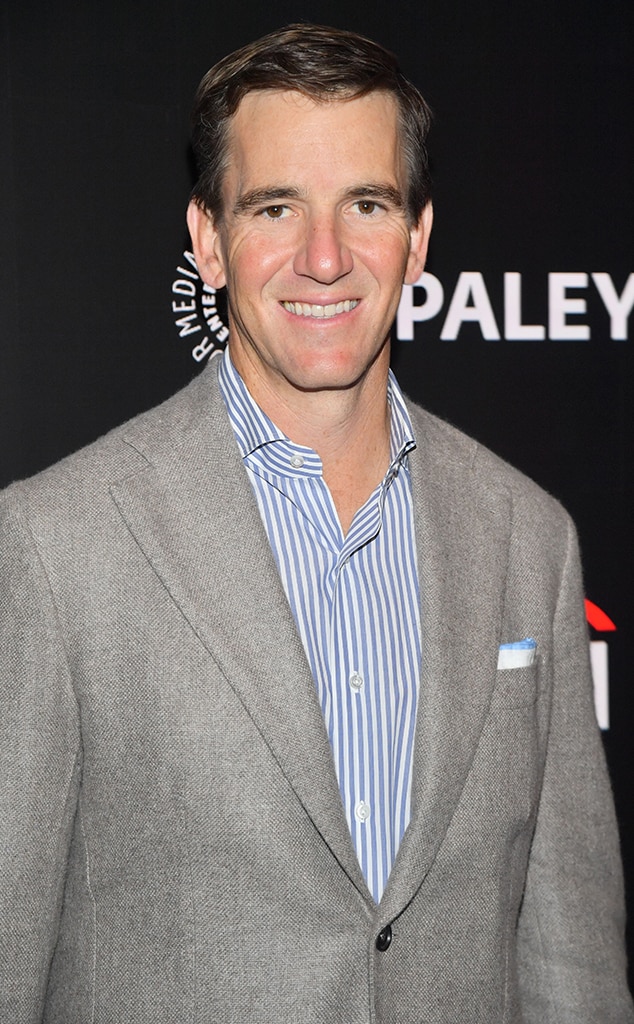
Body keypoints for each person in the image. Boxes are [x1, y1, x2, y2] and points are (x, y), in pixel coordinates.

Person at [0, 22, 631, 1024]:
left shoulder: (528, 538)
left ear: (417, 238)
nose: (324, 257)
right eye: (275, 207)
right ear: (209, 240)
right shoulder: (51, 547)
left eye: (366, 204)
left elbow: (573, 972)